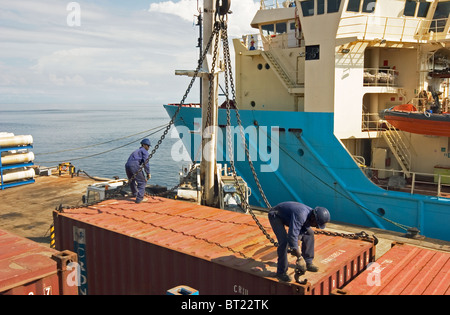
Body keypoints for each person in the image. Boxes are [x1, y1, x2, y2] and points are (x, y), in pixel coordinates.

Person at [268, 201, 330, 282]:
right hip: (276, 216)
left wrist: (297, 247)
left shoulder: (310, 215)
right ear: (314, 218)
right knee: (284, 242)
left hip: (289, 217)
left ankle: (308, 262)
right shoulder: (301, 215)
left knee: (309, 233)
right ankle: (281, 272)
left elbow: (301, 232)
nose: (317, 227)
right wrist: (299, 257)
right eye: (317, 224)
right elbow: (292, 235)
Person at [125, 139, 151, 203]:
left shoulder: (136, 151)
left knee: (132, 180)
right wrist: (148, 173)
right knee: (142, 182)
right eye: (148, 146)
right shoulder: (144, 151)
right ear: (144, 145)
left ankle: (135, 193)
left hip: (127, 165)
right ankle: (139, 199)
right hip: (134, 165)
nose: (148, 147)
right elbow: (146, 163)